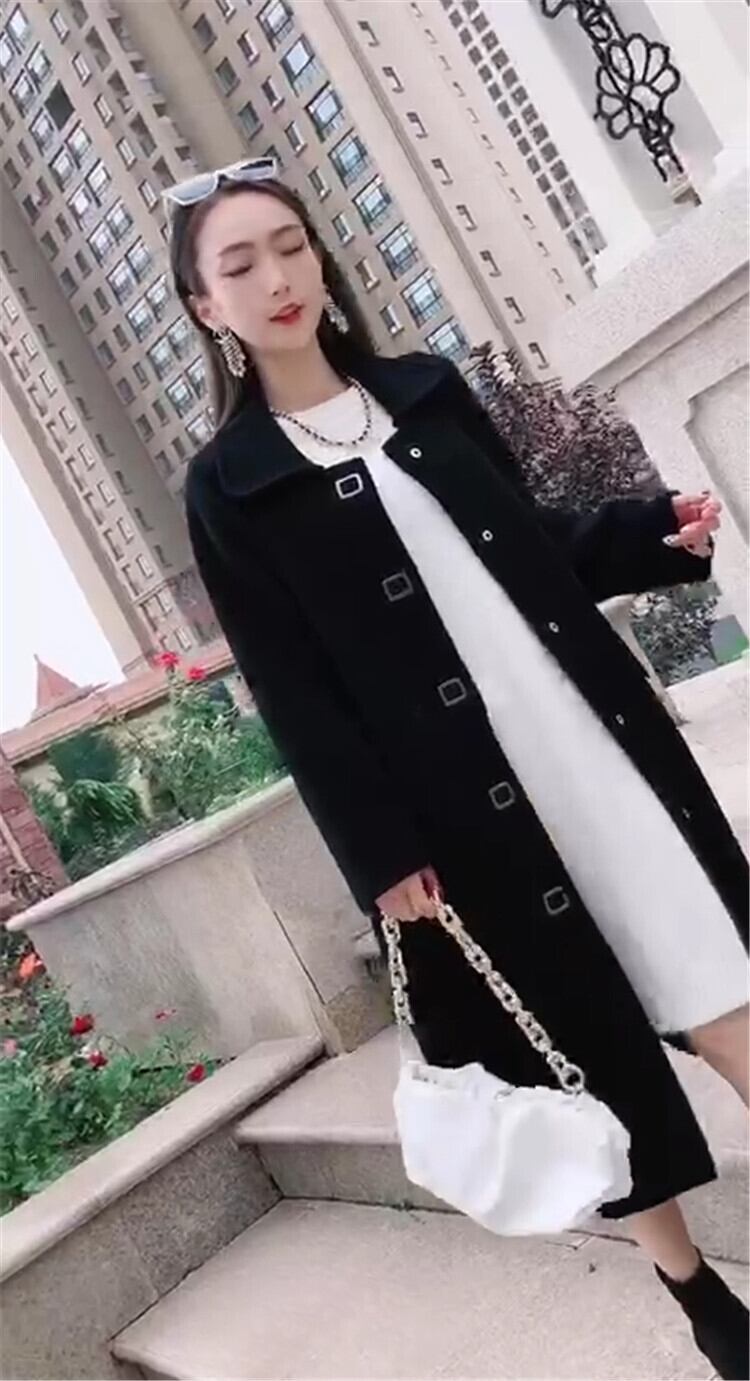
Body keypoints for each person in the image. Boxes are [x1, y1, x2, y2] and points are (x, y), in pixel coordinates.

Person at [168, 157, 749, 1378]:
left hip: (589, 739)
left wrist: (653, 533)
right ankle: (699, 1294)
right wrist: (381, 853)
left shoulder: (425, 391)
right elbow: (295, 692)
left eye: (289, 246)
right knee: (582, 1047)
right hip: (464, 814)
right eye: (240, 265)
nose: (276, 278)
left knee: (720, 968)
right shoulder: (230, 487)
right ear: (207, 306)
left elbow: (528, 545)